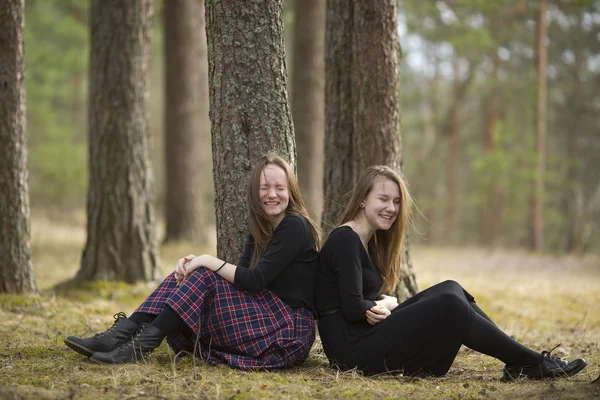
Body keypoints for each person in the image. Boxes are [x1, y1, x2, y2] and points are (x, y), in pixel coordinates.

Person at [315, 165, 587, 381]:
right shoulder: (346, 239)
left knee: (451, 288)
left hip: (362, 338)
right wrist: (386, 302)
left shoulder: (366, 240)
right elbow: (352, 309)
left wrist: (382, 303)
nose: (392, 208)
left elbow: (355, 302)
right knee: (449, 305)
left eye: (396, 201)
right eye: (383, 199)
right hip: (352, 351)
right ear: (363, 200)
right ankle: (531, 362)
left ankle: (521, 360)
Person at [65, 151, 320, 368]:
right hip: (266, 319)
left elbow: (254, 281)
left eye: (279, 188)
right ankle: (119, 337)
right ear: (255, 191)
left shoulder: (294, 225)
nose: (271, 194)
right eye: (264, 188)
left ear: (291, 191)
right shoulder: (262, 229)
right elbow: (239, 282)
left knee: (203, 273)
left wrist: (206, 260)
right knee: (193, 273)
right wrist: (193, 265)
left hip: (289, 330)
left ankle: (138, 348)